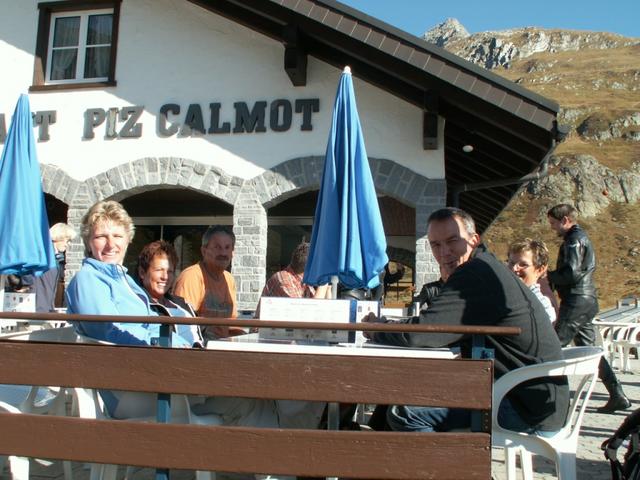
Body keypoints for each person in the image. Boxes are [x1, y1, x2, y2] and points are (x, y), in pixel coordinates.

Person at [365, 207, 569, 434]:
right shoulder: (485, 266)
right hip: (534, 398)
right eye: (436, 245)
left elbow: (424, 333)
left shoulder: (476, 273)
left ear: (474, 239)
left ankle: (444, 460)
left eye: (452, 241)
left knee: (405, 413)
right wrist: (388, 327)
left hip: (524, 406)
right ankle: (376, 448)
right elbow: (433, 326)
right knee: (409, 388)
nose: (444, 252)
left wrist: (375, 329)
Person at [66, 201, 193, 418]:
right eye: (101, 236)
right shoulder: (87, 279)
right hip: (127, 386)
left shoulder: (124, 280)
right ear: (88, 242)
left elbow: (152, 321)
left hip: (152, 372)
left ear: (127, 240)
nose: (110, 245)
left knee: (242, 395)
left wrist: (182, 345)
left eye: (117, 236)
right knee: (239, 397)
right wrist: (163, 345)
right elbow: (108, 332)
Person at [547, 203, 631, 414]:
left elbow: (571, 273)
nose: (552, 227)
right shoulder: (578, 238)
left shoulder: (574, 240)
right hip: (585, 299)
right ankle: (617, 394)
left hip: (576, 299)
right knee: (590, 350)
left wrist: (547, 276)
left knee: (553, 345)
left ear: (565, 220)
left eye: (553, 223)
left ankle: (547, 397)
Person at [174, 225, 238, 338]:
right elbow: (183, 325)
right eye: (217, 247)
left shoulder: (229, 279)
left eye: (227, 247)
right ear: (204, 251)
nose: (223, 253)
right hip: (199, 345)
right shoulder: (191, 277)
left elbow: (232, 324)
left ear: (233, 253)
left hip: (223, 345)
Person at [136, 240, 203, 347]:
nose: (165, 277)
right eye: (159, 270)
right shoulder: (137, 304)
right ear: (142, 273)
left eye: (169, 271)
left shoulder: (182, 304)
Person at [507, 238, 557, 323]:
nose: (514, 268)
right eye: (511, 263)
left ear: (540, 270)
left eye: (523, 264)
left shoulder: (541, 303)